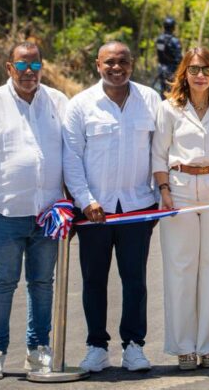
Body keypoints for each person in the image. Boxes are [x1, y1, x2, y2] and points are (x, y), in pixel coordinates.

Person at [0, 42, 68, 380]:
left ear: (42, 67)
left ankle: (38, 349)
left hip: (49, 214)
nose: (28, 73)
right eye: (21, 67)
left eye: (35, 66)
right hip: (6, 212)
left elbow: (71, 155)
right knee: (3, 283)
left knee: (42, 283)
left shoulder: (57, 102)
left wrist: (73, 204)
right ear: (10, 68)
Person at [63, 41, 161, 373]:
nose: (116, 68)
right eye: (109, 62)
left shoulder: (150, 100)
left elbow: (158, 151)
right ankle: (96, 347)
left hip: (137, 207)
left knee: (135, 279)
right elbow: (71, 158)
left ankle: (134, 346)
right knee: (94, 280)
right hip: (94, 210)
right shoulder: (80, 105)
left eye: (123, 62)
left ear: (132, 64)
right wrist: (85, 200)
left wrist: (158, 199)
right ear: (97, 65)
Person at [152, 47, 209, 370]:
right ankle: (183, 346)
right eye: (193, 69)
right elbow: (159, 155)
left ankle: (208, 346)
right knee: (180, 269)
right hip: (179, 192)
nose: (200, 75)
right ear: (183, 74)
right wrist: (164, 191)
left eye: (206, 69)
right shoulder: (169, 109)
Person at [155, 17, 183, 98]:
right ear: (173, 27)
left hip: (161, 68)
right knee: (172, 92)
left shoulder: (160, 39)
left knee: (163, 91)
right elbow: (179, 58)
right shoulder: (175, 41)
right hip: (172, 70)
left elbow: (160, 54)